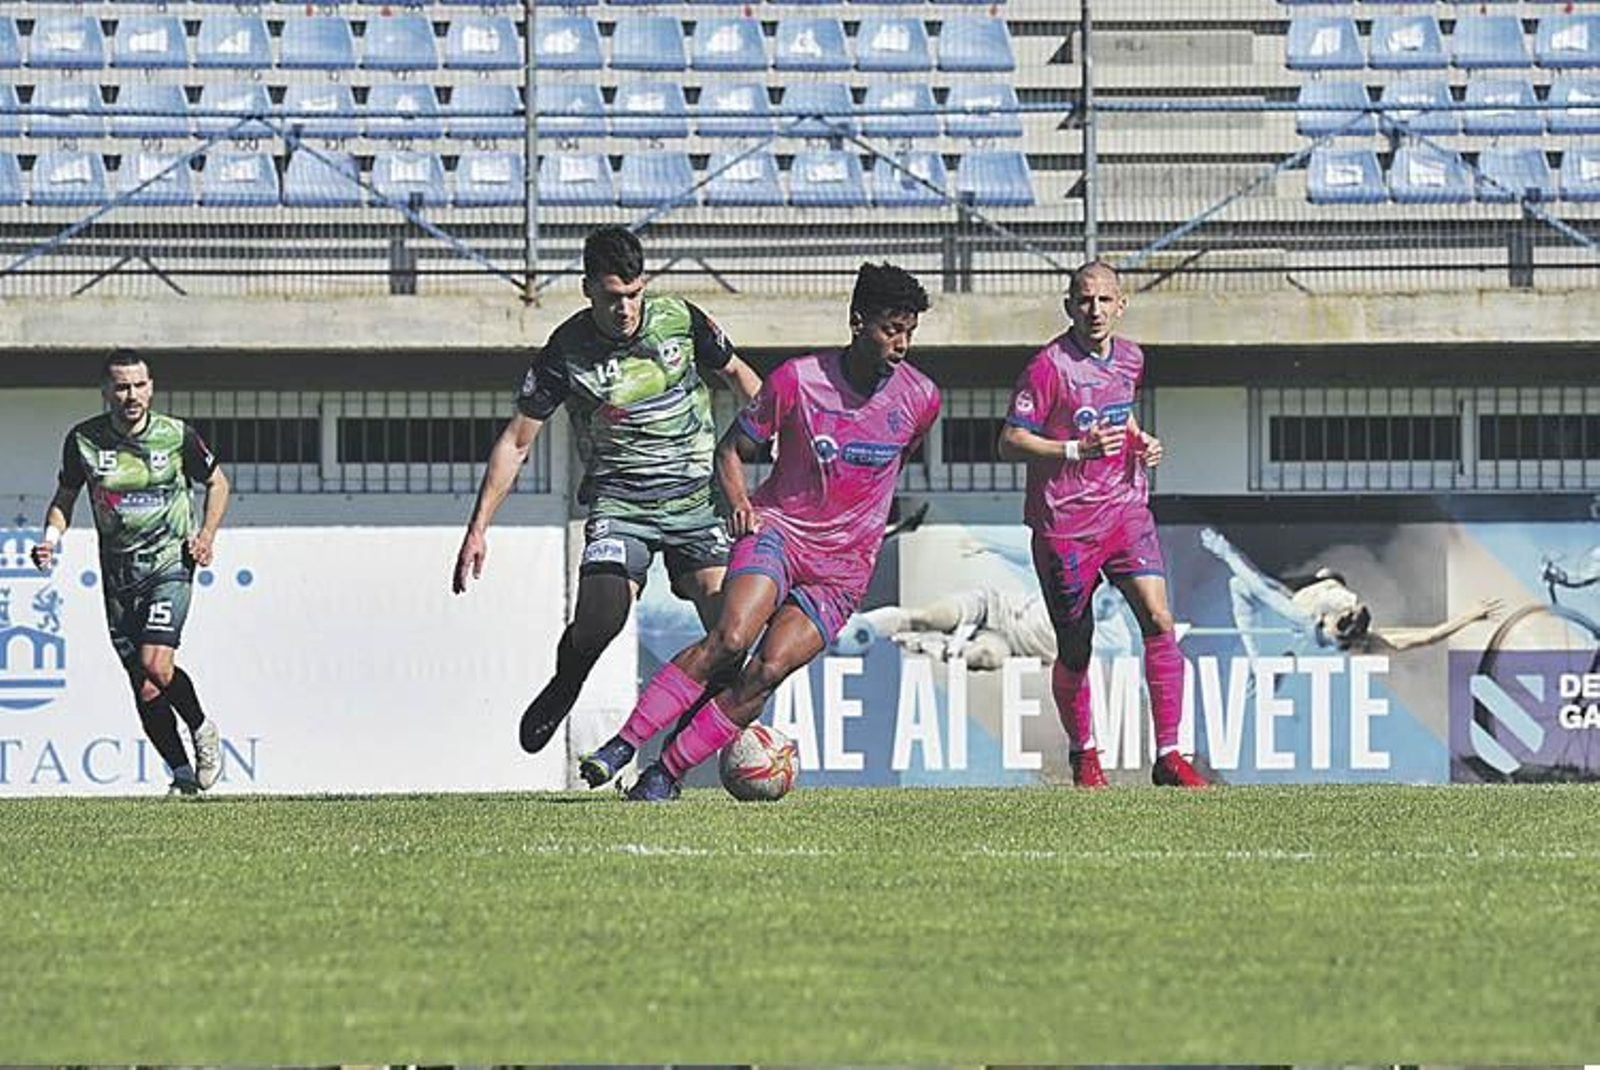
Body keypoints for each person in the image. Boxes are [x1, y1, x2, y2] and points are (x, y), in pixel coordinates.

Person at [578, 262, 942, 801]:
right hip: (779, 534)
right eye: (892, 329)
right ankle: (623, 744)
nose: (903, 343)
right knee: (730, 640)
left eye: (909, 331)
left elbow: (893, 466)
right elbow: (731, 450)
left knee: (767, 670)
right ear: (857, 320)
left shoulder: (921, 399)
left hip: (843, 569)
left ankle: (666, 774)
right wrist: (743, 504)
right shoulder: (797, 381)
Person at [452, 226, 761, 755]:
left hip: (695, 500)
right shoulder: (566, 351)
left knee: (730, 627)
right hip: (620, 502)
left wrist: (782, 439)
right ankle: (567, 679)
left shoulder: (681, 321)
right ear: (587, 289)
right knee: (603, 613)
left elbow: (737, 374)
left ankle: (689, 737)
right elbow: (517, 441)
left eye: (635, 293)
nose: (626, 308)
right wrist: (478, 528)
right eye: (614, 297)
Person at [996, 260, 1206, 790]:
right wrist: (1074, 449)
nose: (1094, 310)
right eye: (1084, 300)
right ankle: (1084, 753)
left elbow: (1118, 413)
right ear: (1069, 305)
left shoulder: (1131, 358)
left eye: (1104, 300)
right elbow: (1009, 440)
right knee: (1076, 648)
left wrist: (1141, 440)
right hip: (1064, 525)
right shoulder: (1048, 367)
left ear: (1121, 304)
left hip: (1124, 511)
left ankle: (1170, 755)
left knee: (1158, 619)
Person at [30, 349, 231, 797]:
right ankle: (182, 775)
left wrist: (207, 535)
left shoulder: (176, 436)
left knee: (155, 663)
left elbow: (218, 482)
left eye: (139, 385)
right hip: (118, 573)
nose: (131, 395)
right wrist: (51, 540)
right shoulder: (84, 440)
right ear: (106, 392)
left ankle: (202, 729)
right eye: (121, 387)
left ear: (151, 387)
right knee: (144, 686)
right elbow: (65, 497)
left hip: (169, 564)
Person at [1198, 527, 1503, 659]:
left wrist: (1225, 552)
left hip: (1308, 600)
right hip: (1308, 597)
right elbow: (1429, 636)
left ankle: (1262, 661)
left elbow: (1258, 587)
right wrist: (1470, 615)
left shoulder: (1316, 618)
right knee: (1253, 587)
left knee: (1246, 585)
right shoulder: (1357, 633)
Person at [841, 582, 1137, 671]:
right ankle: (858, 624)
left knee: (986, 658)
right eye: (1109, 594)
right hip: (993, 607)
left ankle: (925, 645)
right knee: (929, 617)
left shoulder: (1113, 639)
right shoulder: (1076, 585)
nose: (1108, 603)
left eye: (1117, 603)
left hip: (1011, 645)